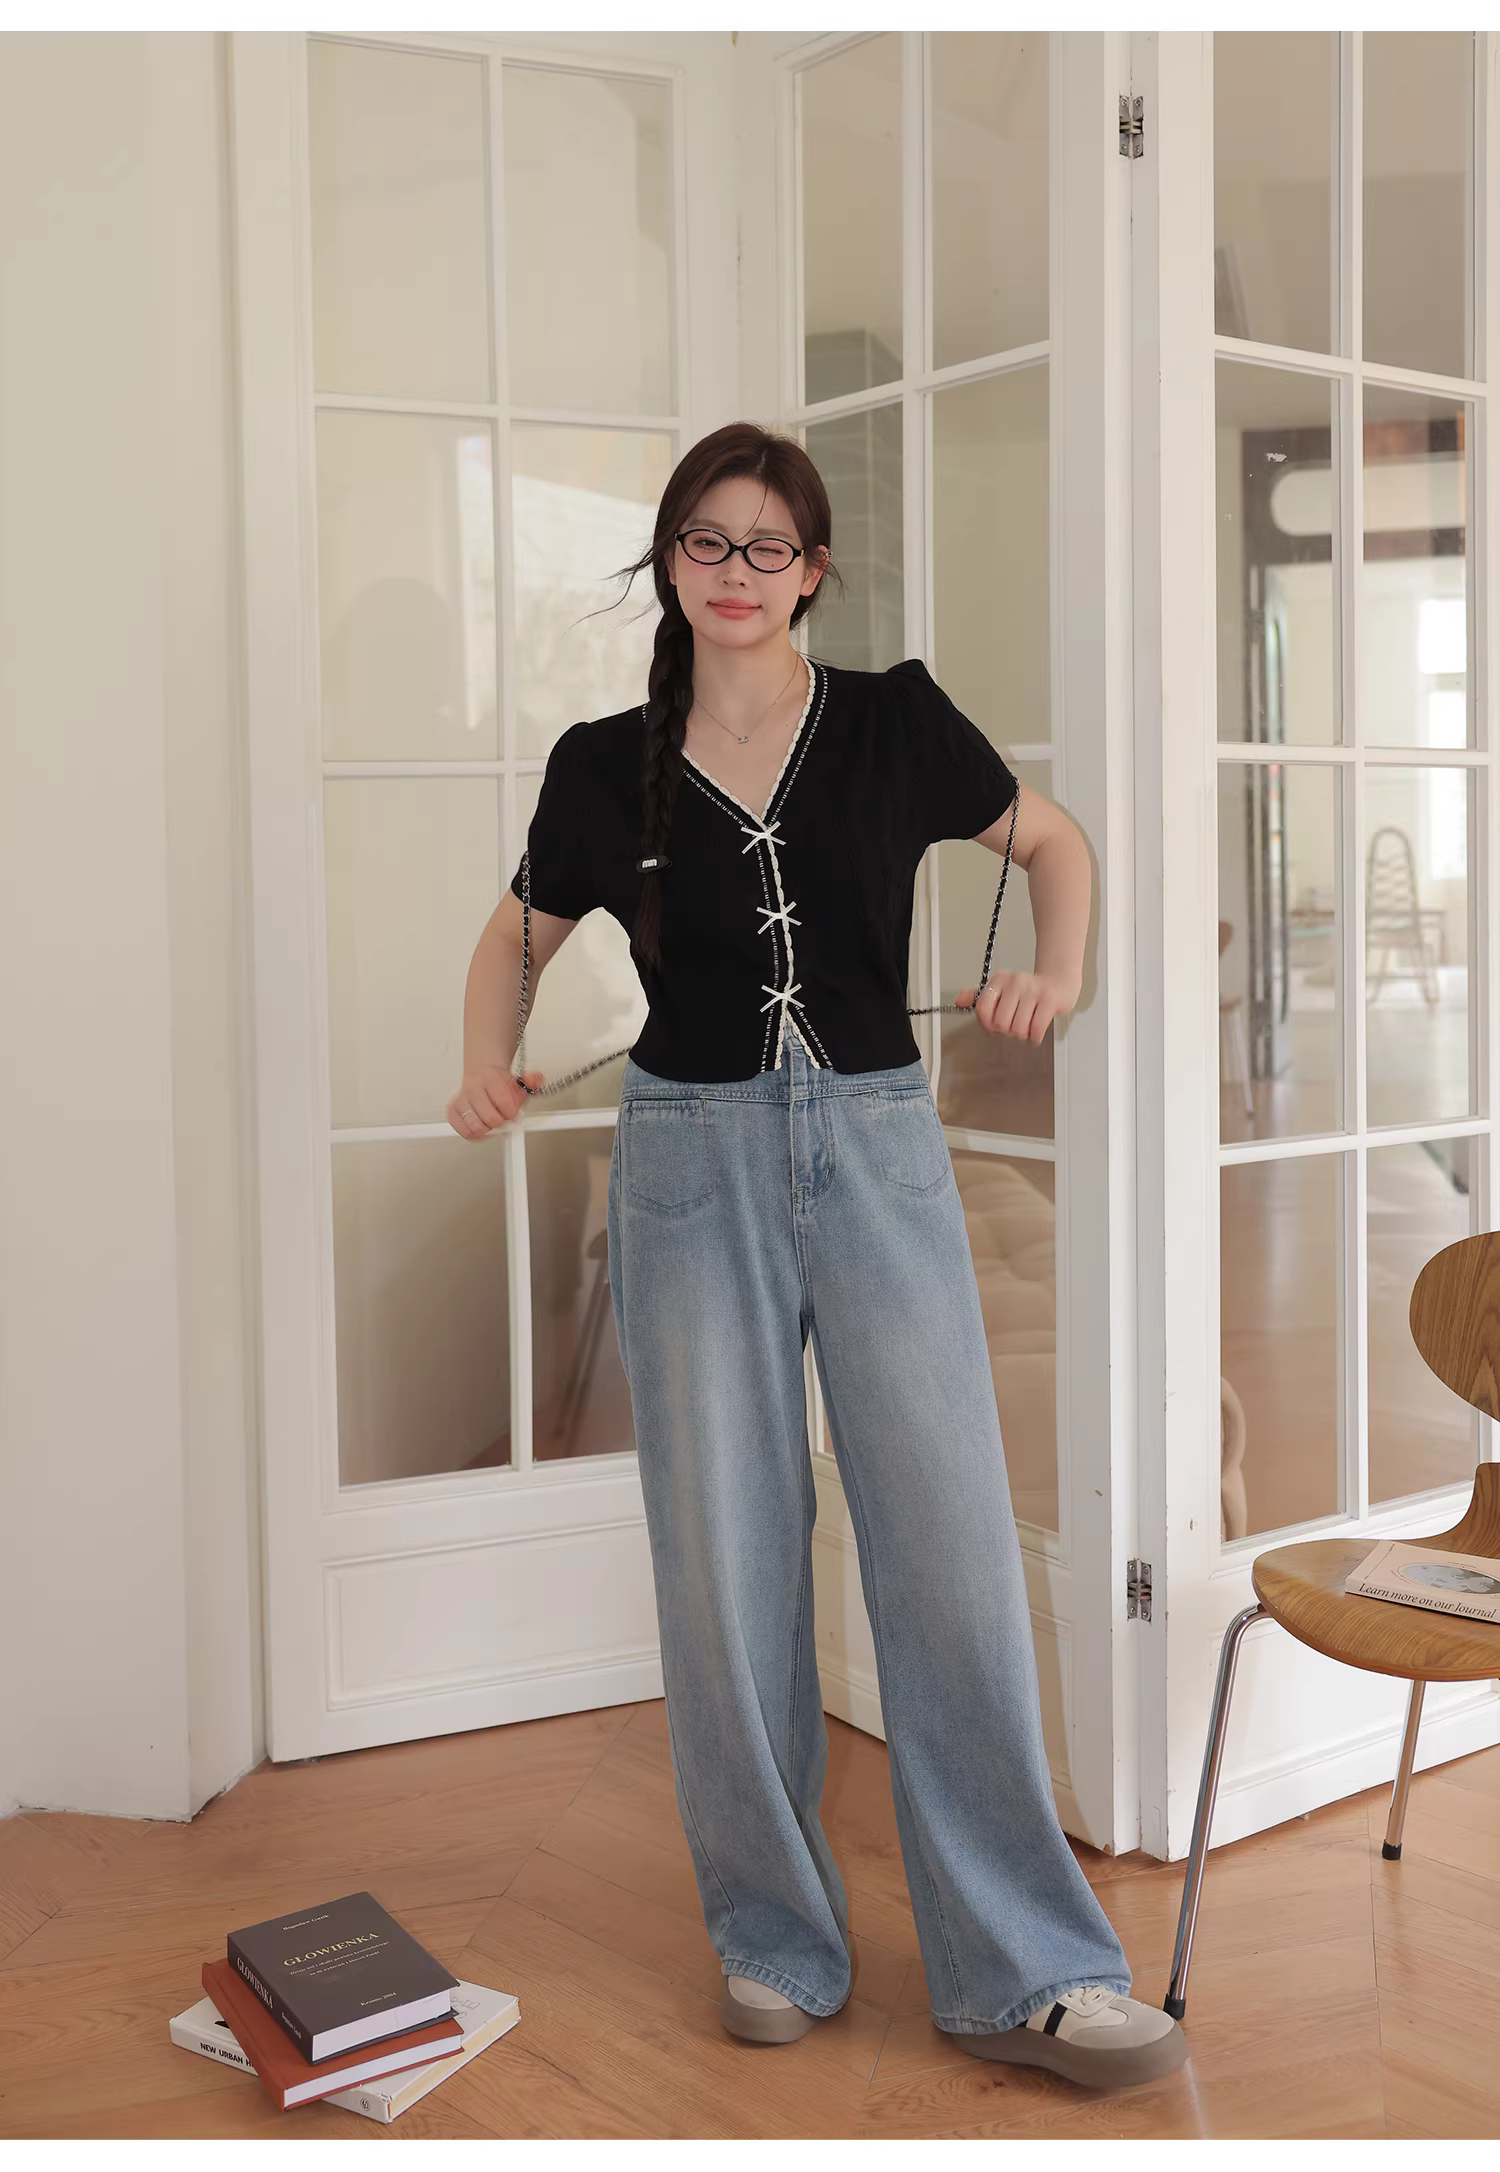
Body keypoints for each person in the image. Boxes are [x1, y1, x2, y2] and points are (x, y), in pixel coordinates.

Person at [447, 422, 1186, 2090]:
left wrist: (1059, 971)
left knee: (952, 1549)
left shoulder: (895, 722)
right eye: (706, 542)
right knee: (723, 1560)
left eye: (765, 545)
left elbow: (1054, 843)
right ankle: (773, 1934)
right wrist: (485, 1059)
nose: (734, 571)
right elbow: (512, 937)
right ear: (670, 561)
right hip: (687, 1167)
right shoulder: (601, 763)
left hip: (877, 1149)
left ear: (813, 571)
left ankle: (1029, 1968)